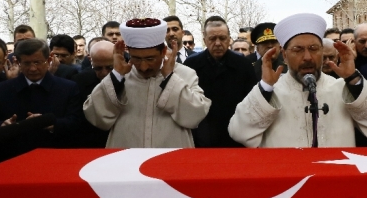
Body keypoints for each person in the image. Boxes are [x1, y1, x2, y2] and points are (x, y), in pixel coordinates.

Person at [228, 13, 367, 148]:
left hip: (334, 180)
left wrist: (353, 78)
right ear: (284, 55)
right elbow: (239, 132)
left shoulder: (341, 87)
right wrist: (265, 88)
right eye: (298, 50)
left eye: (314, 49)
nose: (307, 57)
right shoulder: (272, 90)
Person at [84, 18, 211, 148]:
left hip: (172, 158)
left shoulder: (185, 74)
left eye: (150, 59)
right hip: (125, 159)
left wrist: (169, 78)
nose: (144, 67)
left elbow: (196, 115)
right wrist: (116, 76)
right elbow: (95, 116)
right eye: (137, 59)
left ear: (162, 52)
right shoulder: (121, 74)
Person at [0, 38, 81, 153]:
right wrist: (2, 125)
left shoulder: (68, 88)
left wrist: (50, 123)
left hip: (54, 155)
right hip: (13, 156)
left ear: (49, 59)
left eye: (37, 62)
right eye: (26, 63)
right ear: (17, 62)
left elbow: (76, 122)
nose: (33, 68)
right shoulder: (1, 90)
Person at [183, 16, 257, 148]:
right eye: (212, 39)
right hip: (201, 138)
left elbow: (252, 102)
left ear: (229, 39)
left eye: (222, 38)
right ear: (205, 40)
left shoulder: (243, 65)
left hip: (235, 137)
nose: (217, 43)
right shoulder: (191, 64)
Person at [72, 40, 114, 148]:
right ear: (91, 60)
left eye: (110, 67)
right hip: (89, 142)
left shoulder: (129, 78)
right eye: (98, 68)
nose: (104, 73)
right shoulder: (79, 81)